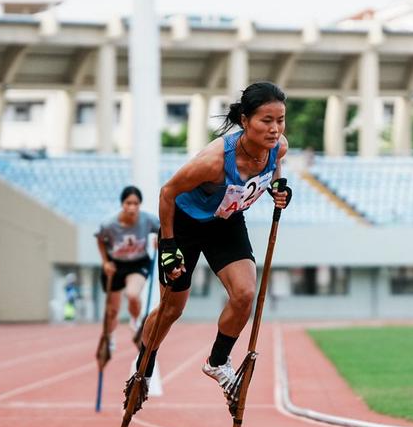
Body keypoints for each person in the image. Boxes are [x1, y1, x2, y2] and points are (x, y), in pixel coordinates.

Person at [135, 81, 291, 394]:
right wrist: (167, 246)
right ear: (245, 121)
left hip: (225, 220)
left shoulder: (279, 147)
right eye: (266, 121)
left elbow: (274, 170)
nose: (275, 129)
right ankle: (144, 367)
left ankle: (218, 361)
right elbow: (167, 193)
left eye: (280, 120)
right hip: (185, 224)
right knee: (172, 308)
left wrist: (278, 186)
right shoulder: (214, 161)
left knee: (245, 293)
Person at [96, 186, 159, 351]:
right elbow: (100, 239)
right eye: (128, 203)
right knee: (112, 311)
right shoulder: (109, 224)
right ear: (122, 204)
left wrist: (161, 238)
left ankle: (135, 321)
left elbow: (164, 227)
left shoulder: (147, 219)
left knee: (132, 294)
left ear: (140, 204)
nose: (132, 207)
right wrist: (105, 262)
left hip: (138, 263)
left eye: (135, 203)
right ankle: (109, 336)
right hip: (115, 265)